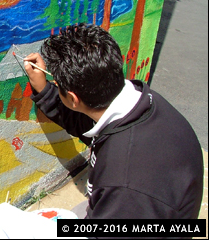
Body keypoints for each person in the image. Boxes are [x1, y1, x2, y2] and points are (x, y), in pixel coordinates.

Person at [24, 23, 203, 221]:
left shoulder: (123, 185)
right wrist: (45, 90)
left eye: (57, 85)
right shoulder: (140, 103)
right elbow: (85, 121)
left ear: (74, 99)